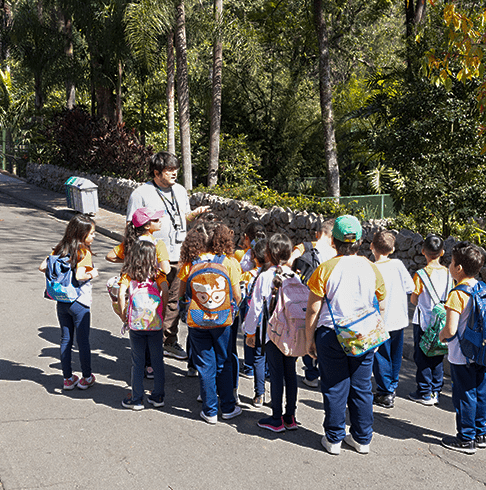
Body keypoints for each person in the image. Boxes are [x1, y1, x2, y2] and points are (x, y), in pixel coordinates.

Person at [305, 215, 386, 455]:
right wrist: (377, 332)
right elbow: (381, 303)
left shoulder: (324, 269)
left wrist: (309, 339)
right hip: (364, 334)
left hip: (331, 334)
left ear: (333, 241)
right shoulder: (371, 268)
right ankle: (362, 438)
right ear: (360, 241)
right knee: (362, 387)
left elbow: (313, 309)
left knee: (334, 386)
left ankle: (334, 439)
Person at [126, 151, 209, 360]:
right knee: (151, 300)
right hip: (152, 258)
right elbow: (131, 227)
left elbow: (183, 218)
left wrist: (195, 214)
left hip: (179, 255)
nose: (174, 173)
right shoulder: (141, 194)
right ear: (156, 172)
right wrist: (135, 258)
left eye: (175, 169)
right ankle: (148, 345)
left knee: (174, 302)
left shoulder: (179, 190)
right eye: (169, 170)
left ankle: (168, 342)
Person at [178, 221, 242, 424]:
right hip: (222, 321)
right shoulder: (228, 262)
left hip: (198, 320)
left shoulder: (190, 264)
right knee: (224, 361)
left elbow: (181, 294)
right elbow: (237, 295)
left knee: (205, 365)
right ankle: (228, 408)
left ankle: (210, 410)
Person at [106, 207, 170, 378]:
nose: (159, 222)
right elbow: (166, 268)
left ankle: (139, 367)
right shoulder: (158, 244)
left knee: (138, 328)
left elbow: (109, 256)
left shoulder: (130, 244)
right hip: (153, 294)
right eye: (155, 220)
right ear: (147, 226)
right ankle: (151, 366)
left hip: (134, 295)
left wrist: (129, 262)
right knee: (152, 328)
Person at [245, 233, 299, 432]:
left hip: (273, 333)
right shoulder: (294, 276)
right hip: (292, 334)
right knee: (290, 374)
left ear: (268, 253)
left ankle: (276, 418)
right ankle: (290, 417)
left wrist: (250, 332)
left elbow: (256, 308)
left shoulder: (265, 277)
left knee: (276, 375)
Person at [39, 214, 99, 390]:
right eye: (91, 233)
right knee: (83, 341)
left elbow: (42, 266)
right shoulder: (83, 252)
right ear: (81, 234)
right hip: (79, 302)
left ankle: (67, 378)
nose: (94, 236)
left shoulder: (60, 249)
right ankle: (86, 377)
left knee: (65, 339)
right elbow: (80, 276)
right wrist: (92, 273)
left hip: (62, 300)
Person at [439, 241, 486, 454]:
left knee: (465, 395)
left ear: (458, 268)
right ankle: (481, 434)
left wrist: (441, 336)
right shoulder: (482, 288)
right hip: (482, 352)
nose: (449, 265)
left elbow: (450, 329)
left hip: (462, 354)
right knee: (481, 392)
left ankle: (466, 439)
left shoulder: (457, 294)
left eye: (451, 262)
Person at [118, 240, 169, 410]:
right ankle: (158, 396)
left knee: (137, 362)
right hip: (155, 323)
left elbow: (121, 293)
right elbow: (165, 290)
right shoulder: (157, 274)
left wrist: (124, 314)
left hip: (136, 325)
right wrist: (162, 311)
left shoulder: (129, 274)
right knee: (157, 360)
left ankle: (137, 399)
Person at [370, 230, 414, 409]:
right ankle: (392, 385)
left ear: (372, 246)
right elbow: (410, 287)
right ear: (393, 249)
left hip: (381, 320)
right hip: (399, 318)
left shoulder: (372, 268)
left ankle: (385, 391)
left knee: (381, 356)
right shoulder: (398, 264)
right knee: (396, 354)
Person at [291, 219, 336, 389]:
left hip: (307, 296)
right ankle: (325, 373)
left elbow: (289, 262)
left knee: (307, 333)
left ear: (318, 234)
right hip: (329, 301)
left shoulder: (305, 247)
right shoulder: (336, 252)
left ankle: (311, 374)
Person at [409, 234, 452, 406]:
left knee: (422, 356)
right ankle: (436, 390)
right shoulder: (449, 273)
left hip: (424, 322)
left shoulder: (420, 275)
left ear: (423, 251)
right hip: (442, 322)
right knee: (438, 355)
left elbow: (414, 300)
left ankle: (425, 391)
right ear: (442, 252)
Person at [240, 236, 269, 407]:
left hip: (259, 324)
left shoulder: (251, 276)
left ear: (255, 258)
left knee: (259, 356)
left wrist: (248, 330)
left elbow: (250, 303)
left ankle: (260, 394)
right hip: (277, 324)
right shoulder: (279, 274)